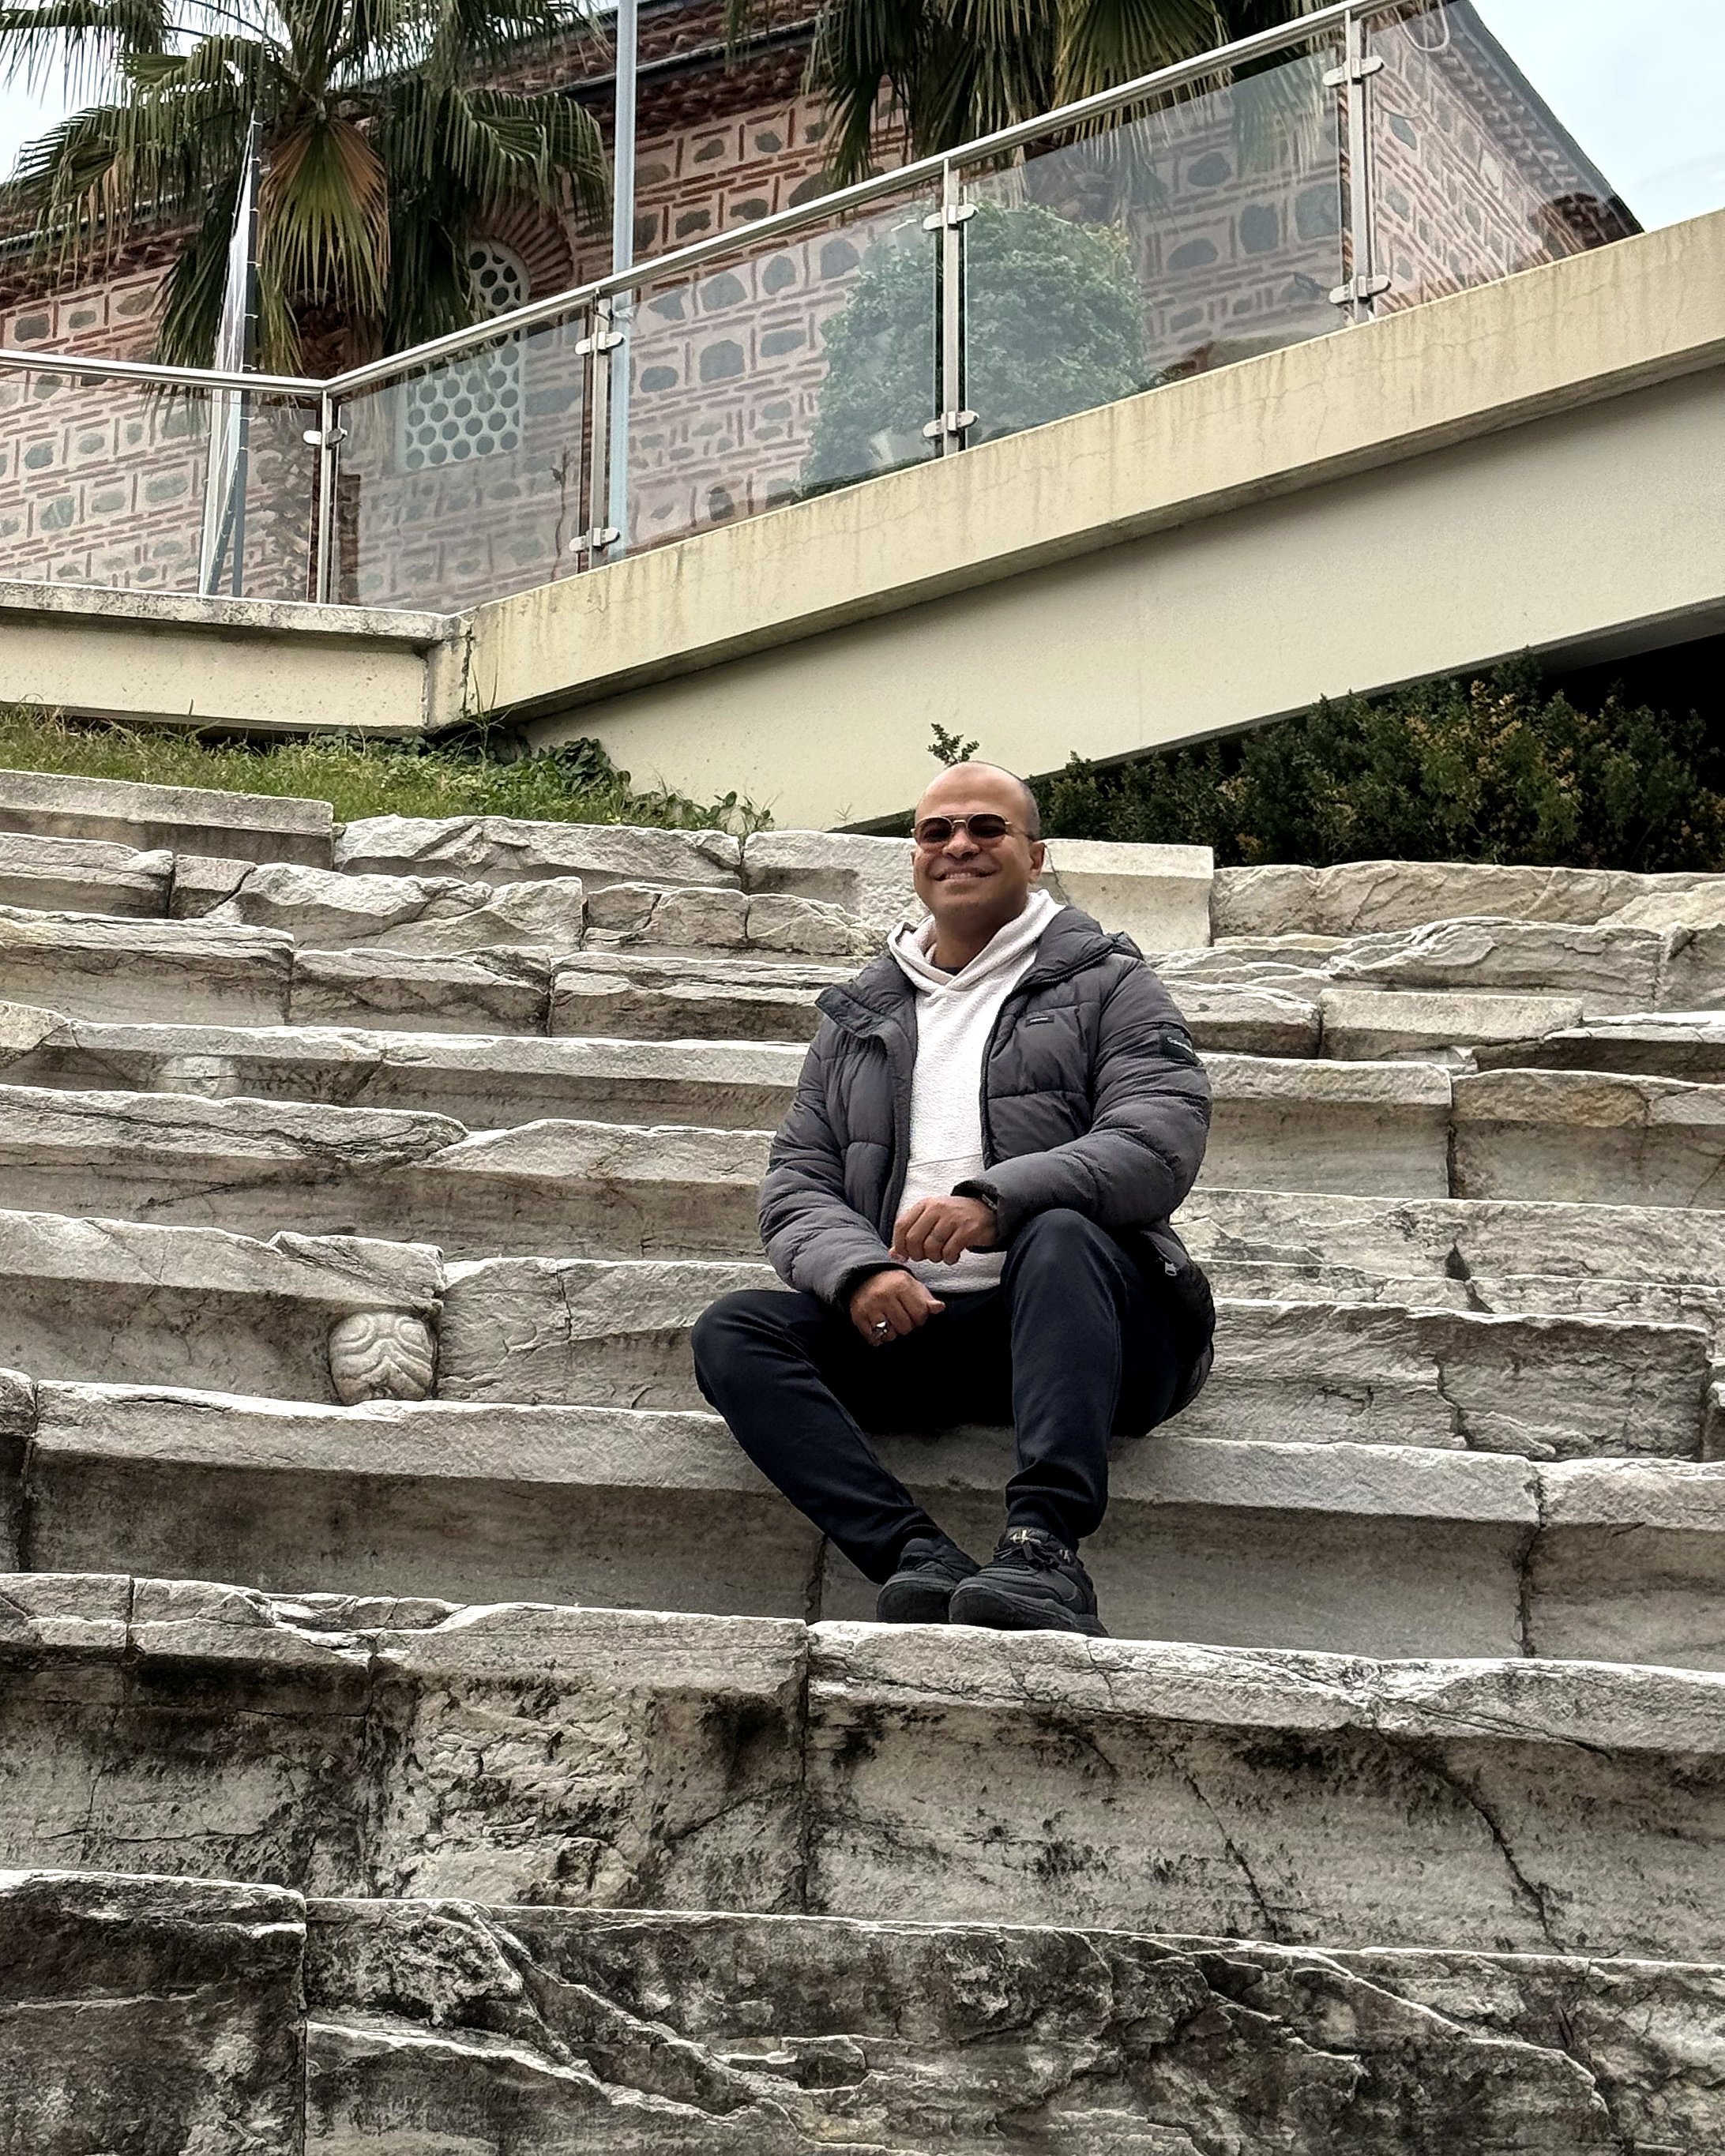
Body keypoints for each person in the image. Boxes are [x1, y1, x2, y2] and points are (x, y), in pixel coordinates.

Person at [692, 760, 1214, 1637]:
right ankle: (914, 1558)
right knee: (735, 1331)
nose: (959, 845)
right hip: (928, 1331)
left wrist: (994, 1201)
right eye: (937, 831)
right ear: (915, 858)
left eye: (986, 828)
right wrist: (857, 1273)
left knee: (1058, 1233)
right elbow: (796, 1180)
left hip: (1102, 1334)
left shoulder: (1109, 982)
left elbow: (1159, 1140)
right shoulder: (860, 1014)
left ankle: (1045, 1551)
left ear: (1035, 854)